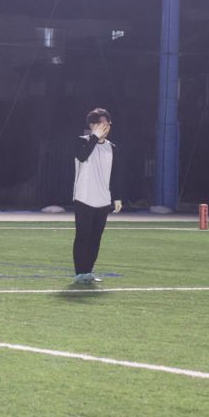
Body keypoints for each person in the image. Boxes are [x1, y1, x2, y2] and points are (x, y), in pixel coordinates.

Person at [72, 107, 122, 284]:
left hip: (103, 200)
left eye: (108, 124)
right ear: (92, 125)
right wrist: (94, 137)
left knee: (95, 238)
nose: (106, 128)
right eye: (102, 124)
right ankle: (80, 273)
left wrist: (117, 197)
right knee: (83, 236)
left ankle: (88, 271)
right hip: (84, 198)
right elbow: (82, 156)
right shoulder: (82, 141)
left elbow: (114, 174)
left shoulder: (111, 148)